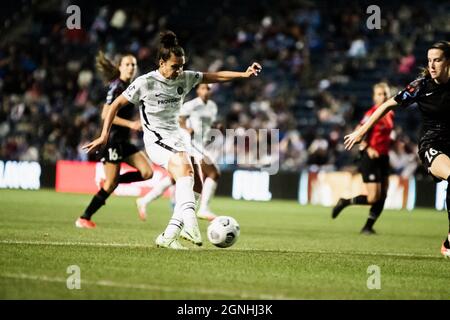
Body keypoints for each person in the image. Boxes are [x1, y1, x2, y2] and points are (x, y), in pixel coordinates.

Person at [83, 31, 262, 249]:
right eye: (175, 66)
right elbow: (114, 106)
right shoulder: (145, 82)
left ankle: (169, 235)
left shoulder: (185, 77)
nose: (179, 71)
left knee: (197, 179)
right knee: (185, 171)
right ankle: (190, 223)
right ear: (162, 63)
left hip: (177, 136)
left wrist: (243, 75)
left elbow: (214, 76)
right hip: (156, 139)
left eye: (182, 66)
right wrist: (103, 135)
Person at [344, 41, 450, 257]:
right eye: (429, 60)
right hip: (433, 144)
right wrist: (361, 131)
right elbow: (387, 105)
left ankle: (448, 241)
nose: (431, 65)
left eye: (437, 60)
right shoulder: (421, 86)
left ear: (448, 61)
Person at [75, 52, 153, 229]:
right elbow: (105, 114)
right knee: (110, 185)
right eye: (127, 64)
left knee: (147, 172)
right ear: (120, 67)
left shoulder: (130, 86)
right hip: (112, 140)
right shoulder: (117, 87)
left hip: (123, 141)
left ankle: (112, 181)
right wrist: (131, 124)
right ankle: (84, 217)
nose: (131, 68)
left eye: (133, 65)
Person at [136, 83, 220, 222]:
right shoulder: (191, 105)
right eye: (203, 88)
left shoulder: (212, 106)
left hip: (201, 143)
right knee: (213, 172)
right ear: (198, 90)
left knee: (176, 178)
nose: (205, 91)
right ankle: (203, 208)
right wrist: (186, 129)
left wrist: (217, 126)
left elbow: (207, 124)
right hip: (190, 142)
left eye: (208, 89)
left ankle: (144, 200)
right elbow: (177, 118)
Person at [331, 83, 394, 234]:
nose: (383, 97)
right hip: (369, 157)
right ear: (374, 97)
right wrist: (368, 147)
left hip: (383, 157)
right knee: (373, 197)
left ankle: (368, 227)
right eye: (379, 94)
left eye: (385, 94)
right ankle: (345, 201)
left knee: (383, 194)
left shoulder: (390, 113)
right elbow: (358, 131)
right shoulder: (372, 113)